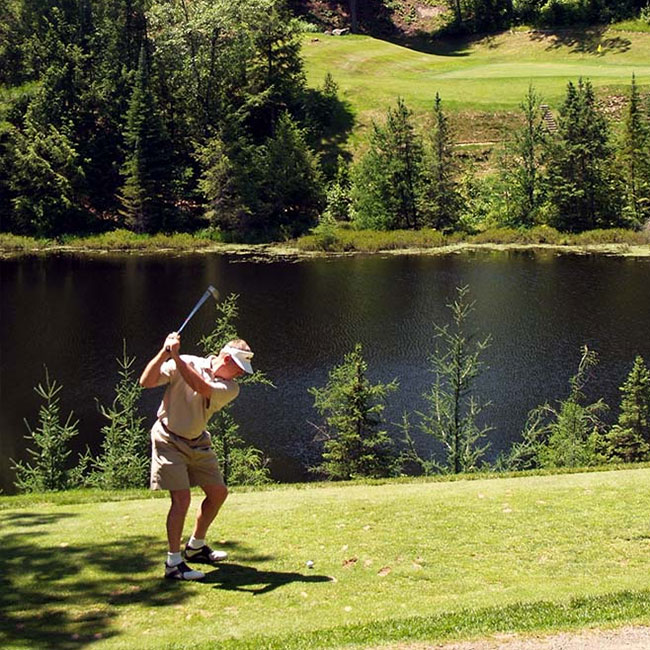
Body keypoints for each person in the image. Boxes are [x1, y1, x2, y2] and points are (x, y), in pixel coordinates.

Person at [139, 332, 254, 581]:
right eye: (239, 368)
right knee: (182, 499)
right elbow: (146, 382)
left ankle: (196, 547)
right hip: (168, 438)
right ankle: (173, 563)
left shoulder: (230, 388)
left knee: (218, 493)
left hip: (198, 441)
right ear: (225, 359)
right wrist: (164, 353)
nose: (241, 374)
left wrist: (177, 357)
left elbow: (200, 387)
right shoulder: (189, 362)